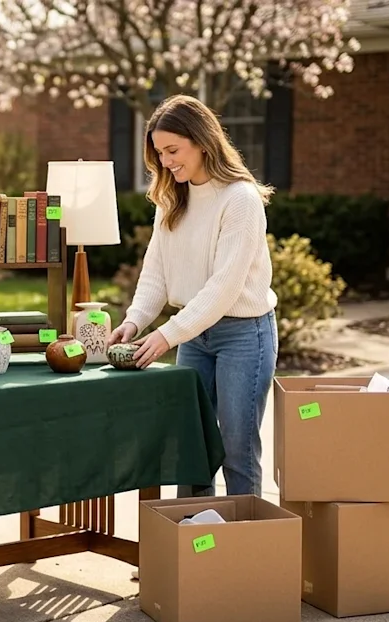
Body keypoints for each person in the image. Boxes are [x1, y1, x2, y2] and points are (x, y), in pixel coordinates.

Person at [106, 93, 278, 500]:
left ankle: (244, 550)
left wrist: (167, 335)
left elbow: (224, 287)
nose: (165, 161)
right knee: (194, 449)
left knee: (237, 449)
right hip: (194, 338)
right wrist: (134, 321)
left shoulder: (240, 200)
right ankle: (195, 547)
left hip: (243, 335)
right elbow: (156, 274)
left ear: (202, 141)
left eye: (172, 150)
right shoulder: (170, 199)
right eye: (159, 153)